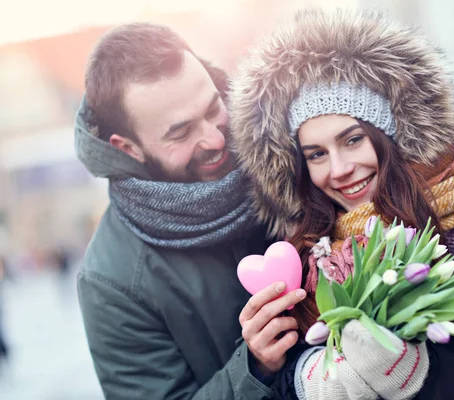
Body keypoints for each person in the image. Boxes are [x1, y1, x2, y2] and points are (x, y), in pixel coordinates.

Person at [229, 9, 454, 400]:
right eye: (316, 154)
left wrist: (424, 379)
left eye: (352, 140)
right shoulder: (306, 264)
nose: (339, 170)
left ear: (392, 136)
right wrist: (286, 375)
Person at [75, 23, 305, 399]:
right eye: (180, 133)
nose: (215, 138)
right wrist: (254, 368)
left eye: (214, 108)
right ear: (128, 148)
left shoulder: (291, 152)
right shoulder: (111, 279)